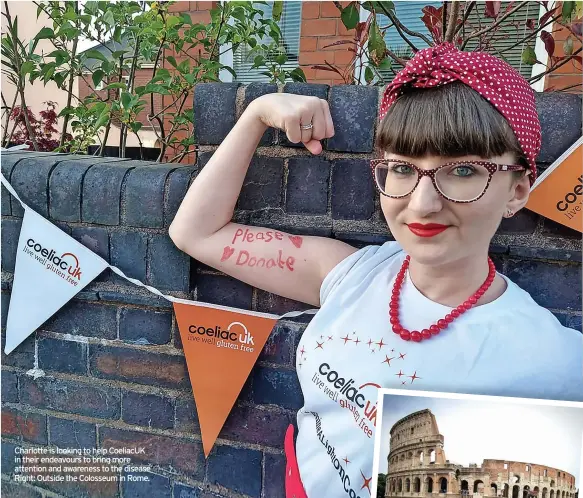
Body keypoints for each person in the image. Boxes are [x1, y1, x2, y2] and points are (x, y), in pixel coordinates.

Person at [169, 43, 582, 498]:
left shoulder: (555, 362)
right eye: (402, 169)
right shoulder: (354, 275)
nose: (422, 204)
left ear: (518, 190)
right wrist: (255, 114)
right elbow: (197, 233)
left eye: (464, 170)